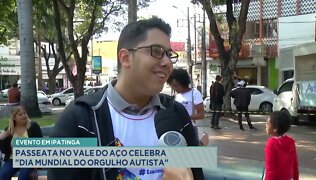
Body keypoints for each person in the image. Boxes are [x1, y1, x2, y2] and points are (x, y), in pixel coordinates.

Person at [48, 17, 204, 180]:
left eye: (169, 54)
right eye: (156, 51)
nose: (167, 62)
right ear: (125, 58)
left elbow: (196, 173)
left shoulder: (177, 114)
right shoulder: (79, 119)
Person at [167, 68, 208, 146]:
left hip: (190, 129)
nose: (174, 88)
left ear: (183, 82)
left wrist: (185, 118)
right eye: (172, 86)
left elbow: (201, 115)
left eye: (176, 85)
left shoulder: (194, 93)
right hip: (176, 130)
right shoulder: (176, 96)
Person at [0, 106, 43, 180]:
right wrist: (2, 139)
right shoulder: (9, 129)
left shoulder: (33, 126)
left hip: (29, 159)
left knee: (23, 176)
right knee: (3, 174)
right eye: (20, 114)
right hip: (13, 159)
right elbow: (4, 150)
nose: (23, 116)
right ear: (14, 118)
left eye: (24, 113)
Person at [264, 111, 299, 180]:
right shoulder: (290, 141)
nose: (266, 125)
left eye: (268, 124)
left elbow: (270, 170)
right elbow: (295, 164)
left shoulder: (271, 144)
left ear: (275, 128)